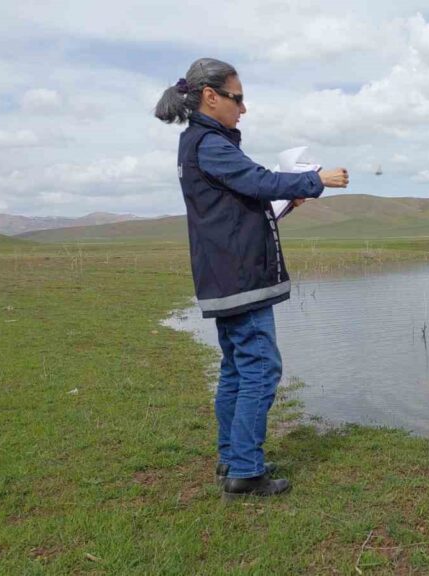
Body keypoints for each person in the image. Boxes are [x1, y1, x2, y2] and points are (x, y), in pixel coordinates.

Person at [155, 58, 349, 499]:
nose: (243, 109)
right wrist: (315, 179)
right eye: (237, 98)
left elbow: (243, 199)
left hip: (228, 275)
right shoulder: (210, 143)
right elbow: (257, 179)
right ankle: (244, 470)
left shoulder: (204, 143)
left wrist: (288, 200)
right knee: (260, 368)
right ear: (210, 96)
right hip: (239, 277)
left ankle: (233, 458)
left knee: (238, 370)